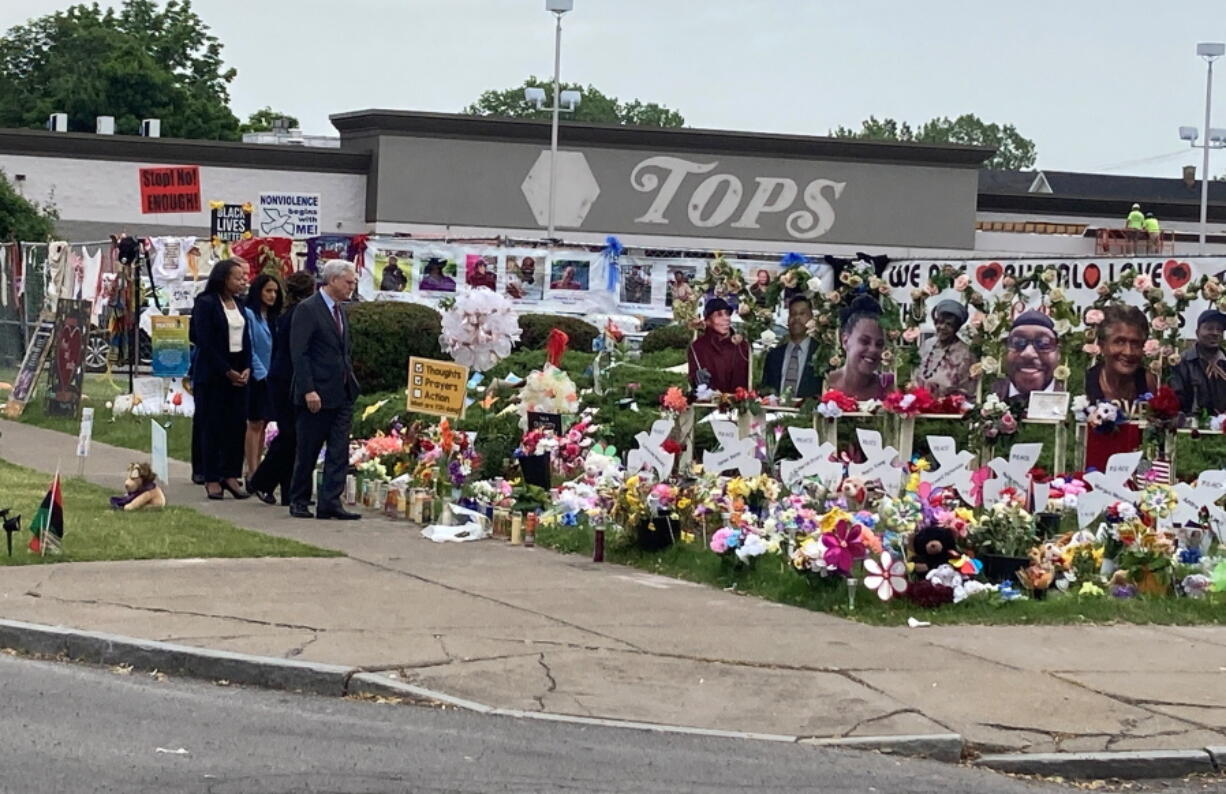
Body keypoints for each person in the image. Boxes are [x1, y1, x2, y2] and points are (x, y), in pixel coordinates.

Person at [288, 260, 361, 520]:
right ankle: (299, 499)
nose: (352, 287)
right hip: (316, 393)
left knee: (339, 449)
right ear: (333, 280)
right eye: (348, 282)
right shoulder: (308, 309)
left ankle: (330, 501)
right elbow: (300, 352)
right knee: (308, 449)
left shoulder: (341, 310)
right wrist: (308, 389)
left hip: (341, 391)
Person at [248, 272, 315, 506]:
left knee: (294, 438)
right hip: (286, 381)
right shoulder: (299, 314)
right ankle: (261, 480)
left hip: (284, 379)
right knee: (291, 435)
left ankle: (290, 490)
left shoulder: (288, 314)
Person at [190, 258, 252, 501]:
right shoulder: (206, 303)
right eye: (237, 278)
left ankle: (231, 474)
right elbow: (204, 341)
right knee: (212, 425)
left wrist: (246, 367)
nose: (242, 281)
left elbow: (246, 337)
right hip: (214, 372)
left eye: (243, 277)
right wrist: (226, 370)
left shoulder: (239, 304)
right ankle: (212, 477)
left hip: (239, 370)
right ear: (223, 279)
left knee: (236, 426)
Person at [243, 274, 283, 486]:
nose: (272, 295)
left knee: (265, 422)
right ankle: (251, 470)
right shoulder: (249, 314)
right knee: (254, 423)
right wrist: (261, 374)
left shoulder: (274, 318)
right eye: (268, 291)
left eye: (275, 292)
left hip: (272, 377)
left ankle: (257, 466)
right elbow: (249, 346)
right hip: (257, 376)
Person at [1084, 304, 1155, 407]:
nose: (1128, 352)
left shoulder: (1148, 382)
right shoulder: (1086, 382)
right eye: (1120, 342)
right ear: (1102, 345)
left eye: (1135, 343)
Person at [824, 296, 894, 400]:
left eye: (879, 344)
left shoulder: (889, 386)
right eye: (865, 341)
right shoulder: (825, 382)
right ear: (845, 341)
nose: (873, 349)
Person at [760, 295, 820, 399]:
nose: (796, 318)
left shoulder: (821, 353)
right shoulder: (774, 355)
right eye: (792, 314)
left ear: (811, 318)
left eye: (802, 314)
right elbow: (765, 391)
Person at [990, 311, 1059, 400]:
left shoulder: (1078, 405)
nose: (1028, 353)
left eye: (1043, 343)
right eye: (1018, 342)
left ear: (1059, 352)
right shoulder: (980, 400)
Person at [687, 297, 750, 393]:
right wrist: (697, 380)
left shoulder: (743, 346)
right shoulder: (697, 347)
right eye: (719, 315)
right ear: (708, 321)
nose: (726, 318)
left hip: (738, 404)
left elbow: (749, 379)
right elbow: (693, 383)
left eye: (727, 314)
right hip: (708, 404)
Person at [1170, 309, 1226, 416]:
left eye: (1219, 330)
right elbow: (1177, 400)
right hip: (1194, 428)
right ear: (1197, 332)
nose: (1215, 333)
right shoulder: (1182, 362)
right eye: (1209, 328)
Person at [917, 299, 977, 397]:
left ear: (956, 328)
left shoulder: (965, 353)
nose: (942, 327)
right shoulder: (927, 345)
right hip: (920, 401)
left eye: (949, 324)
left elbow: (967, 389)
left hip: (948, 407)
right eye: (939, 322)